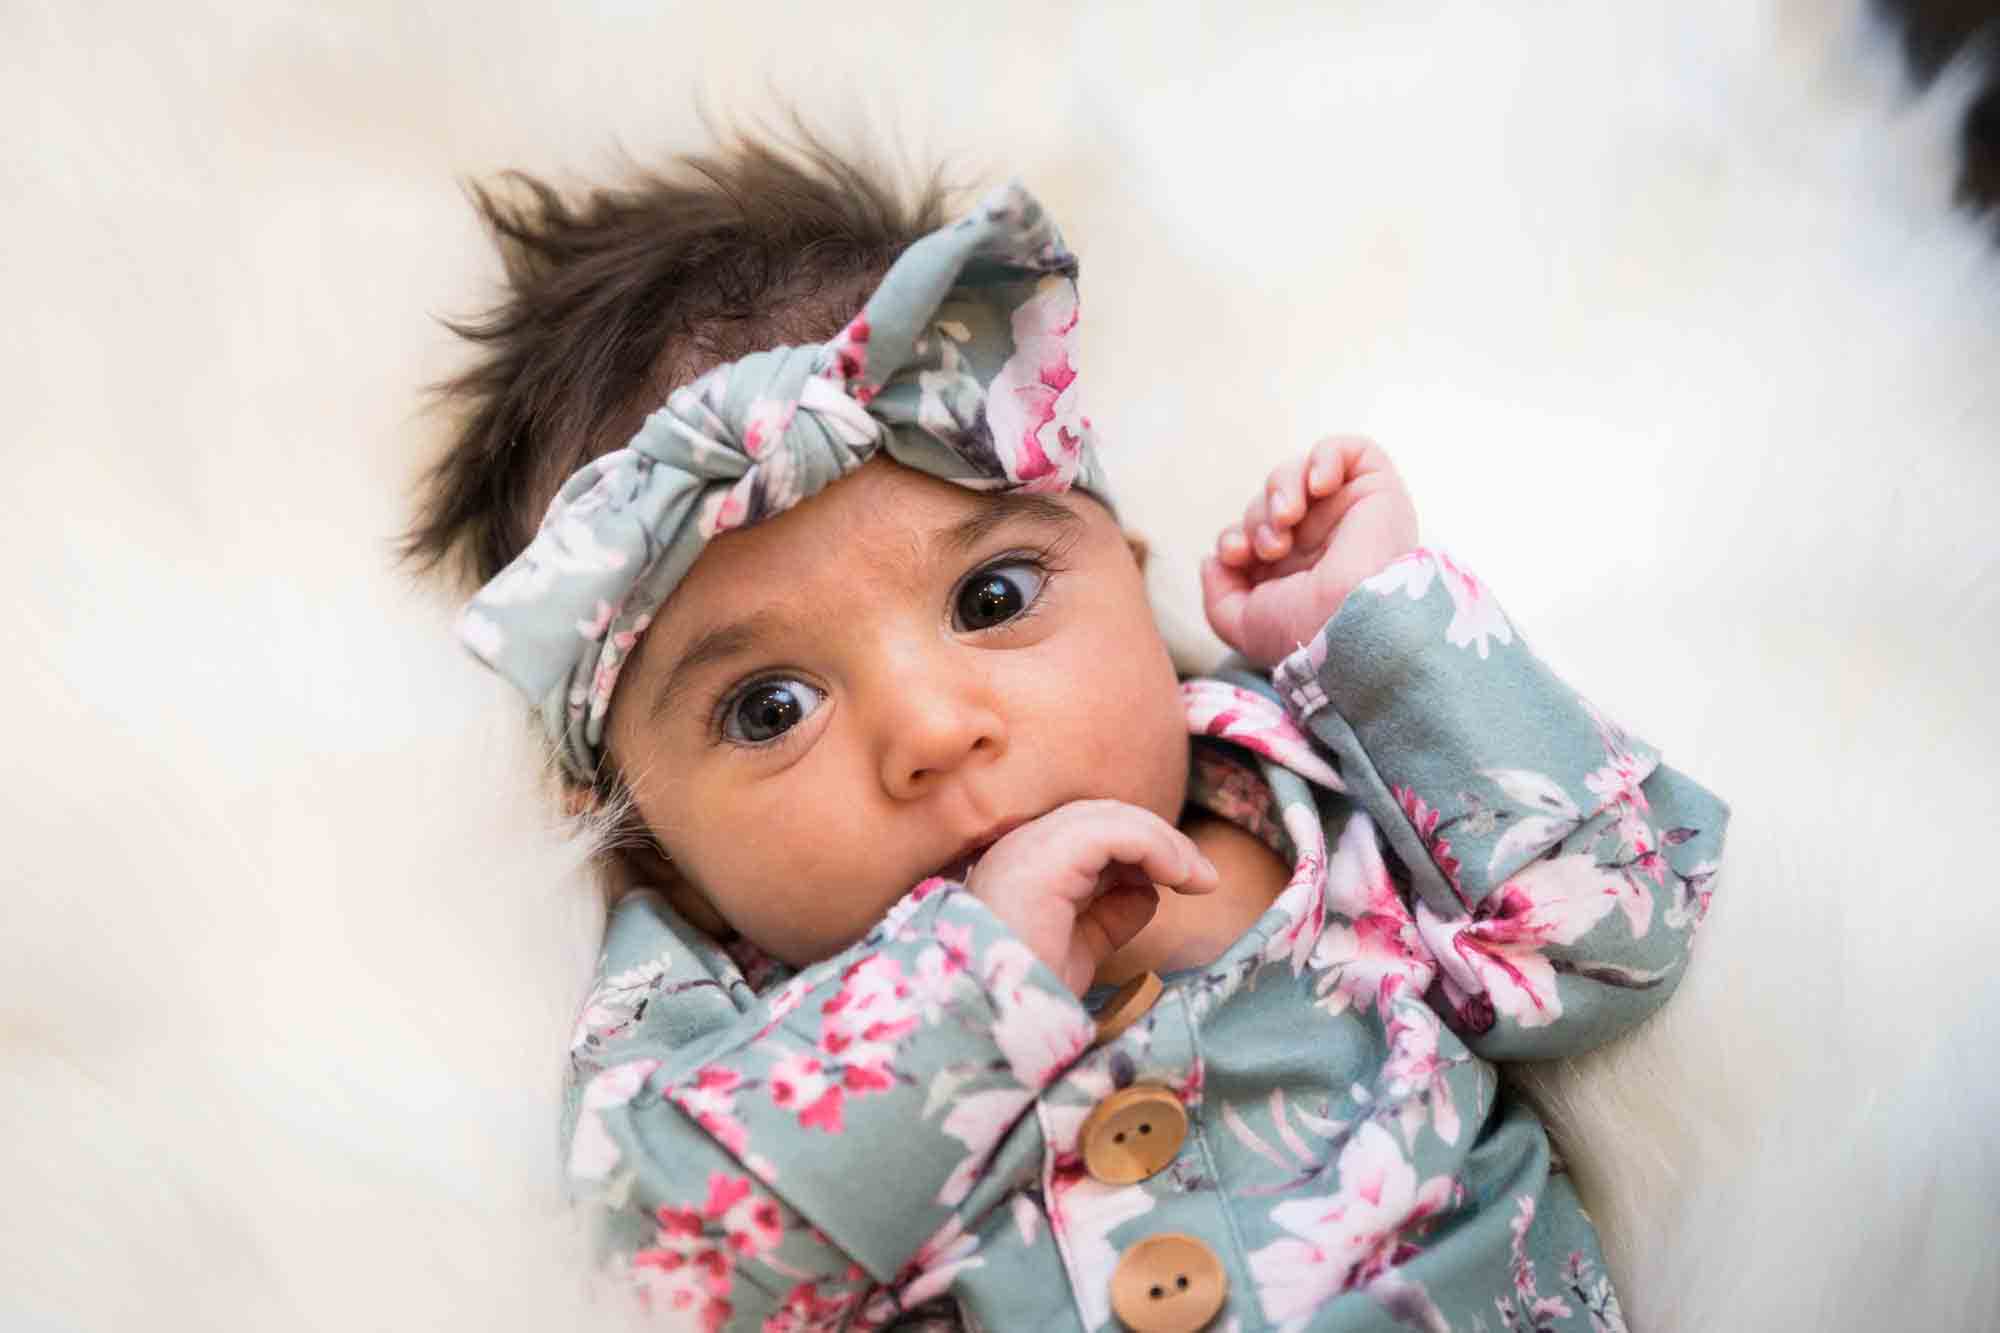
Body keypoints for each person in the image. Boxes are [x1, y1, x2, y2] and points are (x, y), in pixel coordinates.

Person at [407, 135, 1728, 1332]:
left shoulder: (1312, 776)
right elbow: (661, 1277)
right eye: (769, 708)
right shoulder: (709, 1010)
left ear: (1134, 586)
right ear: (648, 834)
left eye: (992, 598)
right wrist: (964, 985)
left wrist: (1386, 637)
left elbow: (1618, 932)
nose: (931, 729)